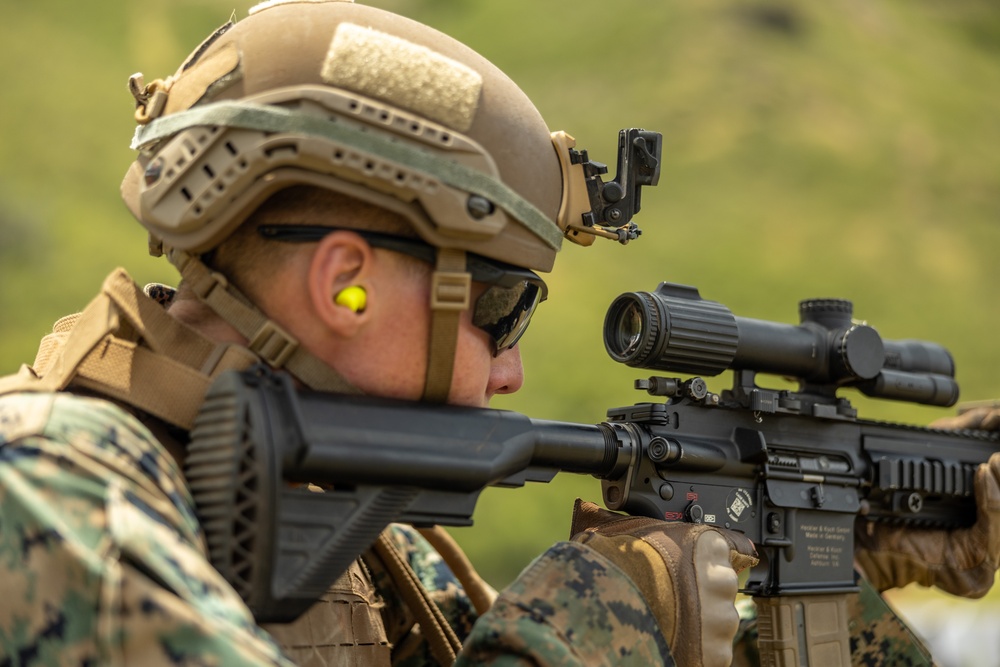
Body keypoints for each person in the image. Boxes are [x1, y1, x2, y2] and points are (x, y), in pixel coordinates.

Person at [0, 1, 996, 665]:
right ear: (344, 281)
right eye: (499, 308)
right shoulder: (49, 497)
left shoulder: (347, 530)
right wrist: (601, 616)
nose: (513, 367)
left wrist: (813, 552)